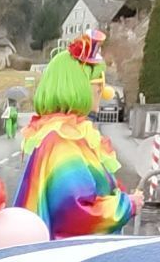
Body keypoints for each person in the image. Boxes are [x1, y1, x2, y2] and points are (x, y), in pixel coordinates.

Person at [14, 33, 138, 238]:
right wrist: (127, 205)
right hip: (69, 259)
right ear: (77, 86)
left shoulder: (60, 132)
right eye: (97, 82)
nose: (103, 89)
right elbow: (75, 212)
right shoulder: (63, 139)